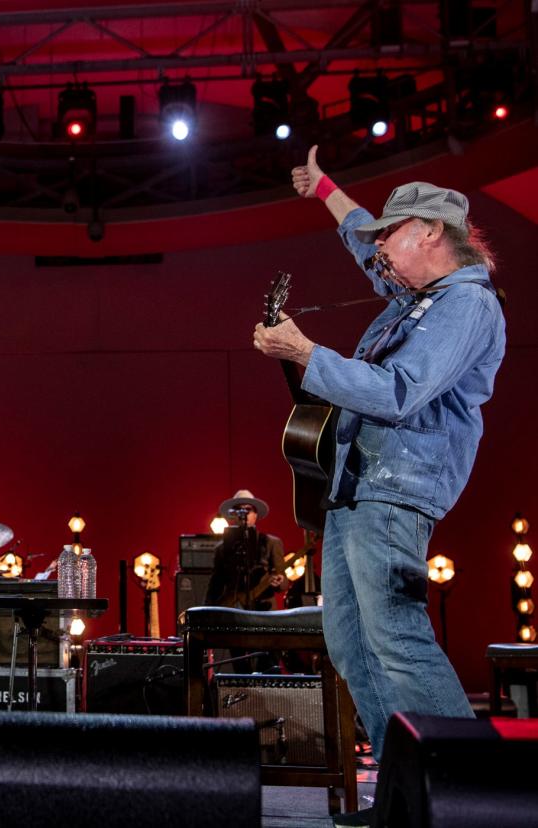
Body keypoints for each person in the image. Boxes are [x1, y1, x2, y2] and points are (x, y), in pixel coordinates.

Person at [254, 148, 505, 787]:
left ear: (429, 233)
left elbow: (398, 392)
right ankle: (405, 790)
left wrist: (307, 355)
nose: (379, 251)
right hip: (358, 488)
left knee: (395, 635)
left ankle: (471, 791)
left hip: (396, 491)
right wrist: (325, 189)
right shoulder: (415, 295)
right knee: (350, 641)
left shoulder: (465, 305)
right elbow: (361, 240)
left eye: (390, 235)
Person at [205, 489, 286, 611]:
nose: (244, 514)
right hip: (233, 609)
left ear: (255, 514)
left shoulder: (272, 543)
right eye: (239, 510)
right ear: (233, 515)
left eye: (248, 510)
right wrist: (206, 614)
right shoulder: (221, 548)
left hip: (264, 610)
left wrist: (280, 581)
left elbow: (283, 582)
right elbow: (215, 585)